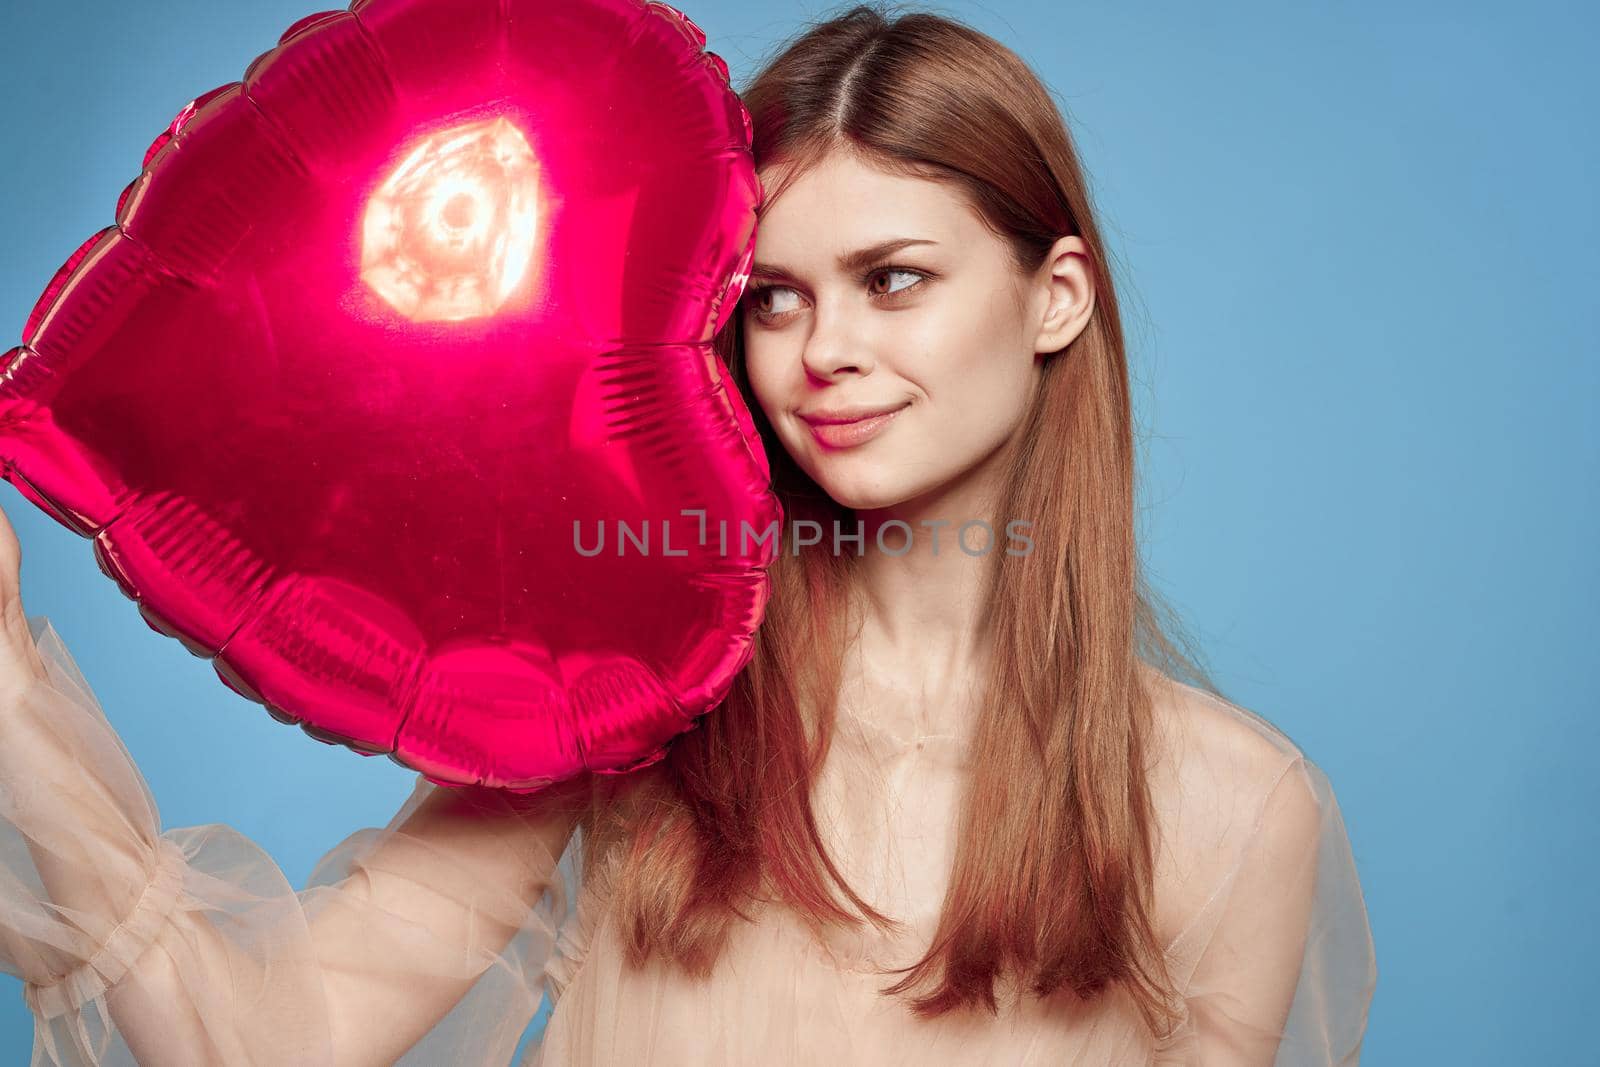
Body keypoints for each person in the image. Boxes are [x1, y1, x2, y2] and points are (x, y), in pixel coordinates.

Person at [0, 4, 1377, 1064]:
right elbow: (271, 1037)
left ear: (1055, 298)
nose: (825, 351)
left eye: (893, 281)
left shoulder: (1231, 810)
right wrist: (9, 687)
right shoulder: (636, 692)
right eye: (772, 297)